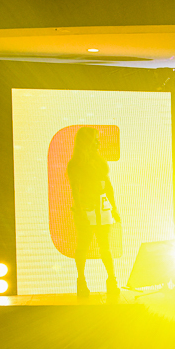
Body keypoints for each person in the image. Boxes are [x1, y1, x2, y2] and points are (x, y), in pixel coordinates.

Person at [67, 127, 121, 298]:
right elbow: (75, 190)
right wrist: (81, 209)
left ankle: (112, 281)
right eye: (95, 139)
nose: (98, 142)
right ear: (87, 142)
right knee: (83, 246)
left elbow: (108, 186)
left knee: (105, 246)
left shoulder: (99, 162)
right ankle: (82, 281)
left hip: (101, 207)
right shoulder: (75, 164)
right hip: (86, 208)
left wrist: (114, 208)